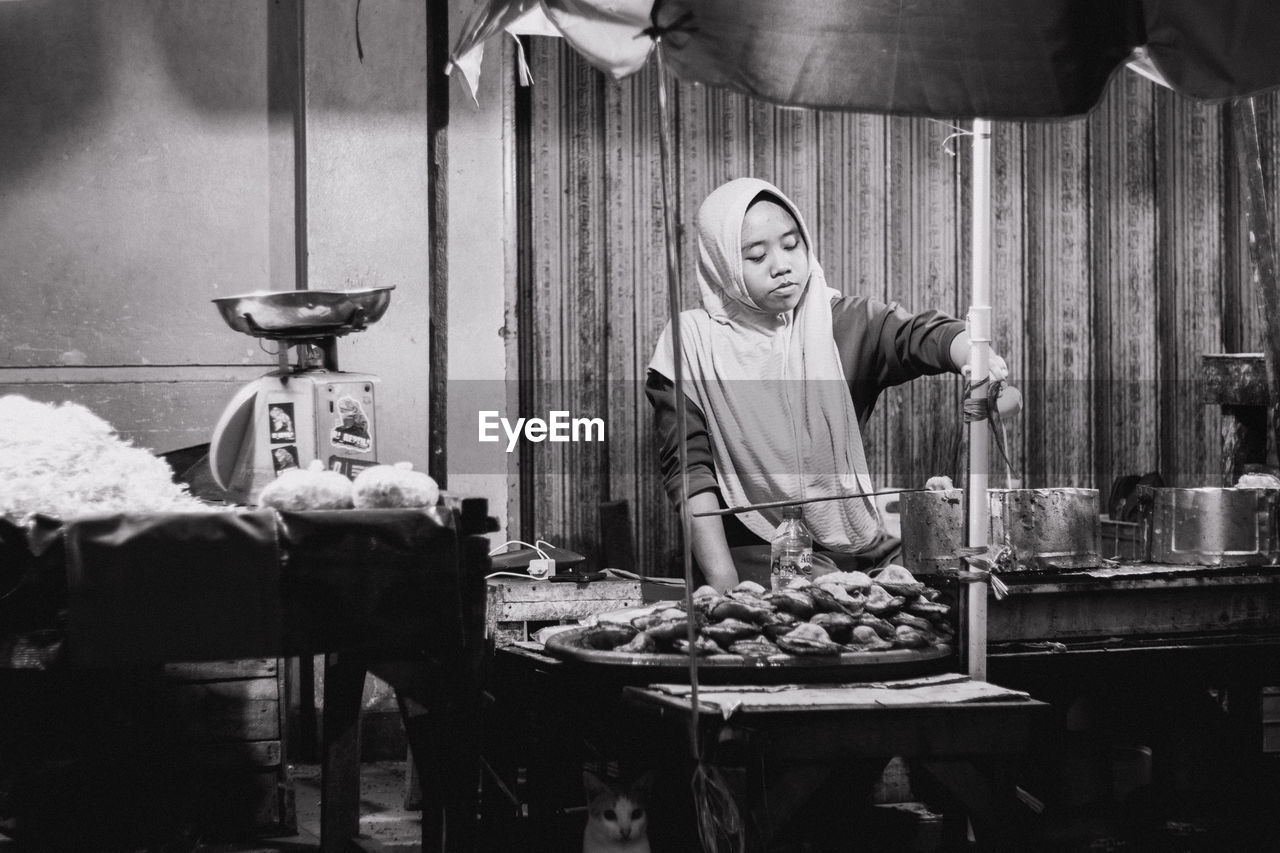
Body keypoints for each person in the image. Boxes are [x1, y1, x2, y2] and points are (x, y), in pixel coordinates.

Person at [646, 177, 1008, 591]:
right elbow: (690, 474)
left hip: (854, 542)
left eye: (791, 244)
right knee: (823, 598)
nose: (781, 265)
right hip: (754, 548)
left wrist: (973, 357)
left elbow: (919, 335)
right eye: (756, 255)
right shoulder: (690, 344)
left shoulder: (841, 321)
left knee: (938, 576)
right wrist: (725, 585)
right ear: (721, 264)